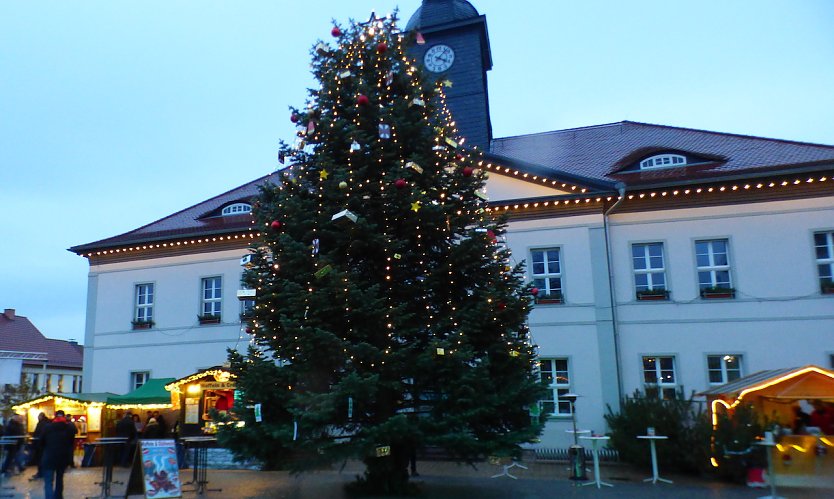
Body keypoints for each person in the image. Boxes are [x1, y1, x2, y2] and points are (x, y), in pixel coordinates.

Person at [40, 409, 77, 499]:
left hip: (49, 456)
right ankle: (59, 497)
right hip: (62, 457)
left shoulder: (47, 427)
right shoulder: (69, 428)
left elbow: (41, 442)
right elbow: (71, 442)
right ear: (64, 416)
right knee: (59, 479)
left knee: (48, 481)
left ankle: (49, 497)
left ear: (55, 416)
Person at [30, 412, 50, 479]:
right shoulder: (48, 423)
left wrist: (34, 443)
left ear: (41, 417)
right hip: (46, 444)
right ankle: (44, 472)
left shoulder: (41, 424)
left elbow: (37, 433)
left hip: (40, 444)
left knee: (40, 459)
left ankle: (40, 473)